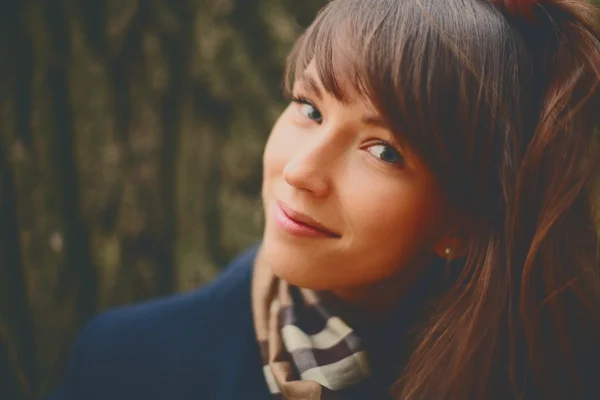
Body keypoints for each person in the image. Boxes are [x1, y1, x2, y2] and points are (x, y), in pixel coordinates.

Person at [49, 0, 600, 398]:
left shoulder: (556, 367)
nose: (300, 170)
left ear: (462, 221)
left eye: (383, 150)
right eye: (309, 109)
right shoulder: (130, 364)